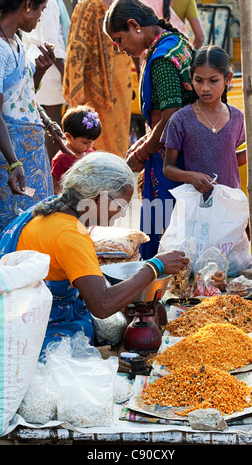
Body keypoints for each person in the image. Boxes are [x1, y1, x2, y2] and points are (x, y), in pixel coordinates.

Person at [0, 152, 189, 359]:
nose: (123, 214)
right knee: (109, 329)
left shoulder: (50, 207)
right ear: (99, 198)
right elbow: (102, 305)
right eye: (120, 206)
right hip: (32, 330)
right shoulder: (71, 235)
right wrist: (154, 267)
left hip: (14, 312)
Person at [103, 0, 195, 259]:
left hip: (172, 158)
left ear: (135, 25)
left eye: (119, 39)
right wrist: (143, 143)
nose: (120, 48)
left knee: (165, 226)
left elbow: (170, 117)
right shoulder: (174, 42)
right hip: (182, 150)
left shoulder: (163, 58)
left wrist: (143, 153)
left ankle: (163, 285)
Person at [0, 0, 69, 232]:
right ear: (28, 5)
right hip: (13, 158)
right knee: (14, 225)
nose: (41, 16)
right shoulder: (0, 49)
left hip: (28, 157)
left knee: (35, 219)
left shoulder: (16, 42)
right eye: (41, 9)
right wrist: (12, 163)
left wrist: (39, 72)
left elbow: (22, 96)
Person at [162, 45, 246, 196]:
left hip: (229, 204)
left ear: (228, 78)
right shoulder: (181, 120)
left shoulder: (237, 117)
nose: (205, 88)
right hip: (197, 207)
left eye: (213, 81)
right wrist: (191, 177)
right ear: (191, 78)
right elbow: (168, 167)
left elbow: (231, 160)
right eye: (199, 80)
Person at [63, 0, 133, 157]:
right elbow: (76, 51)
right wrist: (76, 94)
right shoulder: (87, 7)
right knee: (92, 141)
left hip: (122, 86)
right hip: (95, 90)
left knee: (119, 142)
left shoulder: (122, 4)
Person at [22, 0, 70, 161]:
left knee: (46, 120)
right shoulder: (48, 1)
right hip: (50, 65)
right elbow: (51, 43)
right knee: (52, 120)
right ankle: (52, 167)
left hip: (43, 61)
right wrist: (66, 74)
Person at [51, 105, 101, 193]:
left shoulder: (90, 152)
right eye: (85, 143)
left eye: (92, 142)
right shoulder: (61, 160)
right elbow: (55, 189)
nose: (89, 146)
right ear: (69, 137)